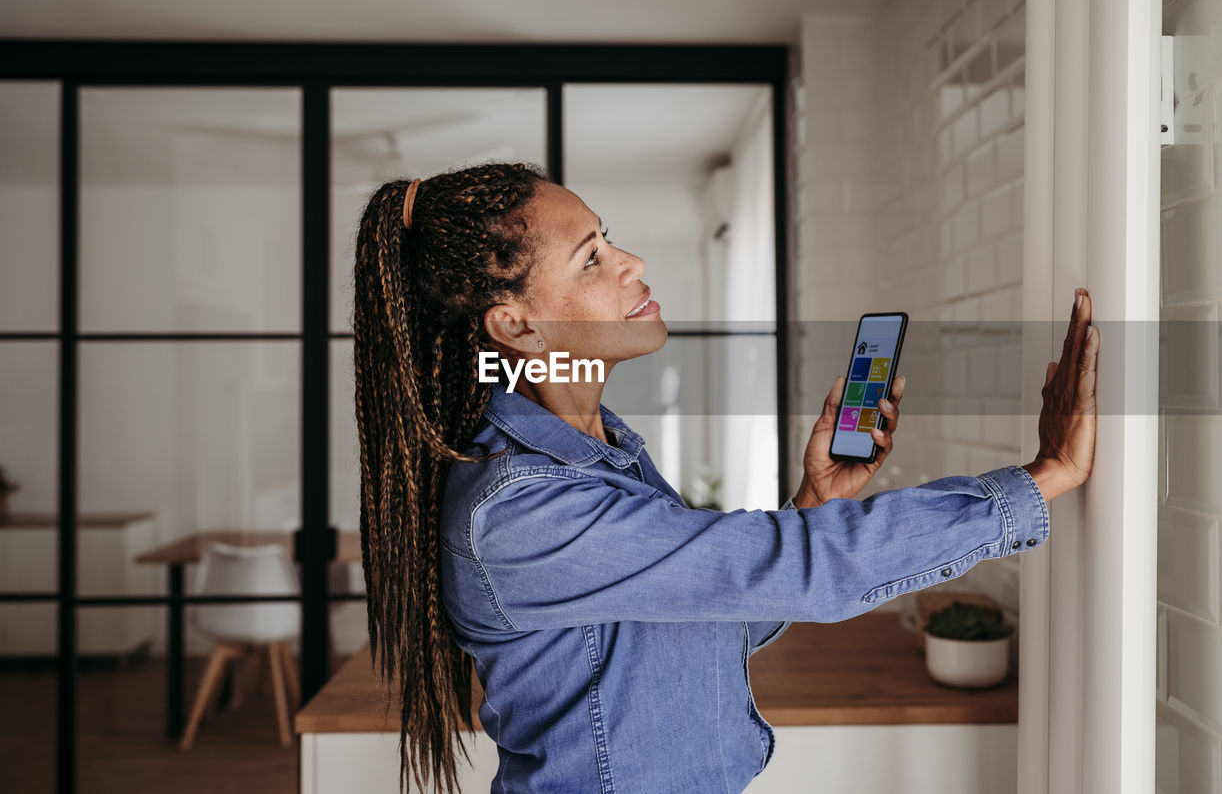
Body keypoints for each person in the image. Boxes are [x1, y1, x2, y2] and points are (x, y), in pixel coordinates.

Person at [352, 163, 1099, 794]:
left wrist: (814, 502)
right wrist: (1039, 480)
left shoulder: (605, 453)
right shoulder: (520, 508)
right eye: (590, 258)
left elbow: (706, 621)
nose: (631, 262)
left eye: (608, 238)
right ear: (515, 326)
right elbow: (785, 564)